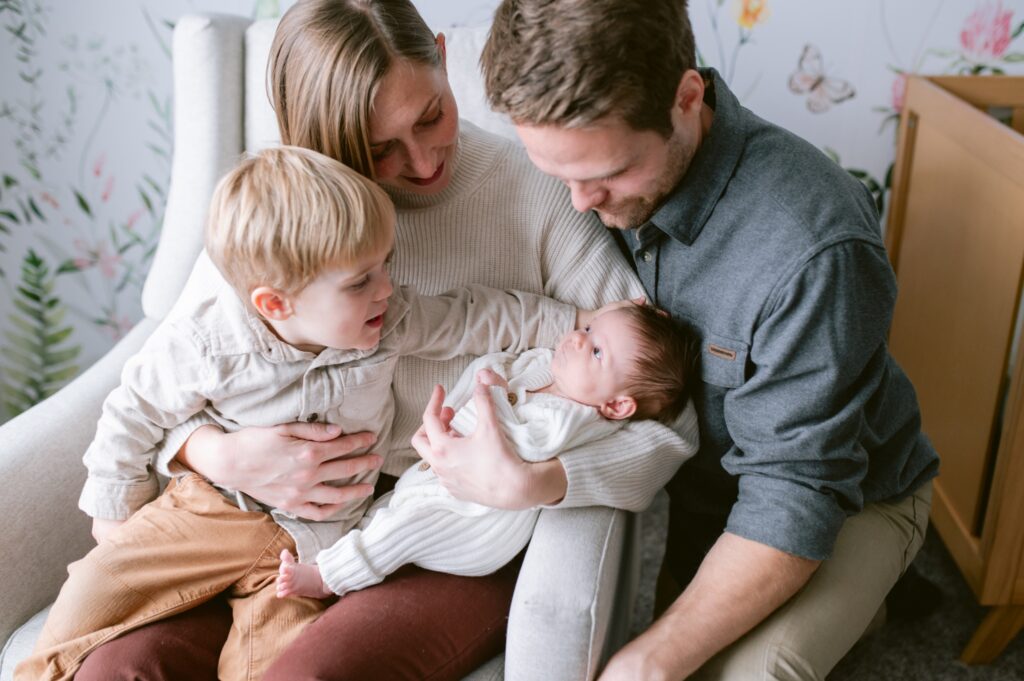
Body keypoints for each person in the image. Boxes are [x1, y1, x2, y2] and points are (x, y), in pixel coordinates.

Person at [72, 1, 699, 680]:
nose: (425, 159)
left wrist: (542, 479)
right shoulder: (291, 212)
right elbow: (172, 372)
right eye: (379, 148)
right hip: (260, 518)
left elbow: (664, 407)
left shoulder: (539, 193)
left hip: (436, 529)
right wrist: (212, 450)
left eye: (431, 114)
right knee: (116, 669)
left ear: (440, 53)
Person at [473, 0, 941, 679]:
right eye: (559, 174)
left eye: (605, 175)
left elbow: (795, 498)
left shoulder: (815, 247)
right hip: (704, 492)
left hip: (850, 492)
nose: (579, 205)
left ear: (687, 98)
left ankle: (874, 586)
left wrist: (651, 661)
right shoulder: (593, 187)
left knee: (740, 670)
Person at [16, 145, 595, 681]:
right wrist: (115, 512)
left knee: (277, 662)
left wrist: (571, 325)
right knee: (95, 587)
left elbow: (473, 317)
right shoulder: (209, 341)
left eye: (384, 265)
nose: (386, 288)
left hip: (314, 542)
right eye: (360, 280)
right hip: (210, 513)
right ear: (275, 303)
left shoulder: (387, 321)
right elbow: (132, 409)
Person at [278, 304, 699, 600]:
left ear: (617, 405)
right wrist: (470, 395)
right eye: (588, 330)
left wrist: (492, 395)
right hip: (444, 483)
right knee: (390, 510)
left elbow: (522, 447)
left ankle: (328, 577)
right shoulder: (546, 365)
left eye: (596, 351)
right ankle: (334, 552)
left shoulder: (577, 420)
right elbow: (495, 367)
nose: (575, 339)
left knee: (401, 531)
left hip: (477, 524)